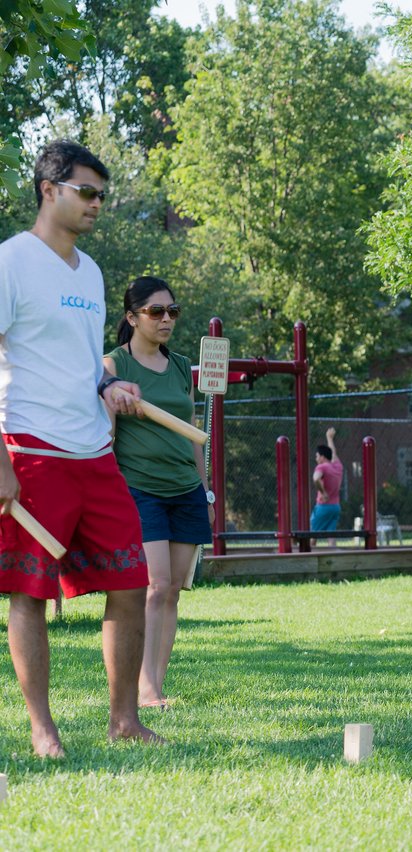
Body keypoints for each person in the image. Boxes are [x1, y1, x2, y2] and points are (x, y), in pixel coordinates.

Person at [0, 140, 159, 756]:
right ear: (49, 190)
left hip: (93, 452)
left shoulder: (89, 272)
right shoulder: (11, 261)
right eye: (85, 192)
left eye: (101, 195)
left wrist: (108, 381)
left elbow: (79, 360)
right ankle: (43, 730)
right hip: (31, 448)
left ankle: (125, 719)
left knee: (132, 581)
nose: (96, 204)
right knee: (29, 591)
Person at [103, 276, 213, 711]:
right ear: (132, 317)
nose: (166, 319)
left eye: (173, 311)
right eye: (155, 312)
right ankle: (143, 689)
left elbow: (191, 435)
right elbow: (107, 438)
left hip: (185, 489)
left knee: (172, 591)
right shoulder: (114, 366)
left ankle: (156, 686)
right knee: (156, 583)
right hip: (139, 488)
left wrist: (203, 490)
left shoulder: (182, 365)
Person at [311, 428, 342, 547]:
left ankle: (308, 560)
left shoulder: (321, 467)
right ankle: (333, 559)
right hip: (335, 507)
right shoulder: (337, 466)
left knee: (312, 536)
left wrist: (323, 492)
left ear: (322, 457)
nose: (316, 458)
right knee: (331, 536)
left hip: (323, 506)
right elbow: (333, 453)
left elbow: (316, 478)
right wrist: (329, 438)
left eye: (317, 456)